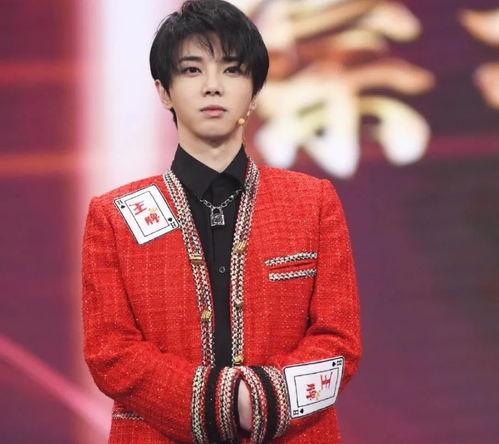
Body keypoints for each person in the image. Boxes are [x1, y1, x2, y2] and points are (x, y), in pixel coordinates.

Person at [81, 0, 362, 443]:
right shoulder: (114, 215)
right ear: (164, 91)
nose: (213, 86)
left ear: (255, 90)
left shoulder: (312, 202)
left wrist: (262, 399)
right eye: (192, 70)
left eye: (232, 70)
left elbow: (338, 341)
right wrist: (223, 404)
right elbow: (110, 352)